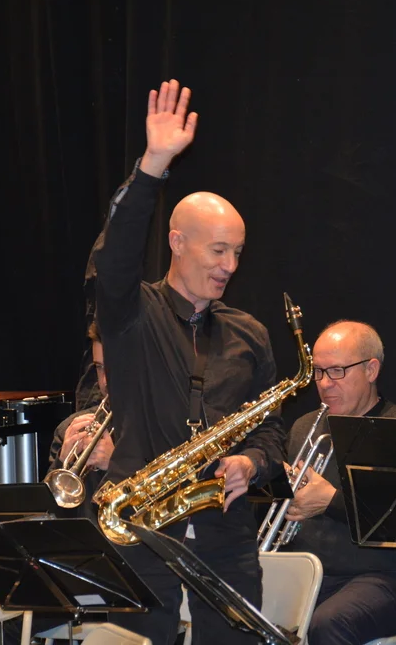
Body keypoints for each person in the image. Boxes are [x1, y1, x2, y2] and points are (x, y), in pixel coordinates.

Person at [91, 80, 285, 643]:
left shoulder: (249, 333)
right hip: (140, 524)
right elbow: (115, 255)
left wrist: (251, 463)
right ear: (177, 242)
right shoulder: (132, 312)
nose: (230, 266)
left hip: (225, 532)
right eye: (218, 250)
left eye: (237, 252)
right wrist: (153, 165)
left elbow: (271, 431)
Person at [280, 320, 396, 644]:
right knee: (241, 604)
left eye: (337, 371)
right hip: (310, 570)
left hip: (388, 577)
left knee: (329, 623)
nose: (324, 384)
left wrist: (331, 501)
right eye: (318, 372)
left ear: (371, 370)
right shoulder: (305, 427)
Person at [46, 321, 114, 519]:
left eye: (113, 367)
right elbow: (51, 516)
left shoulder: (159, 427)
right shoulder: (69, 428)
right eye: (99, 368)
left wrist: (115, 465)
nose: (105, 381)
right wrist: (61, 463)